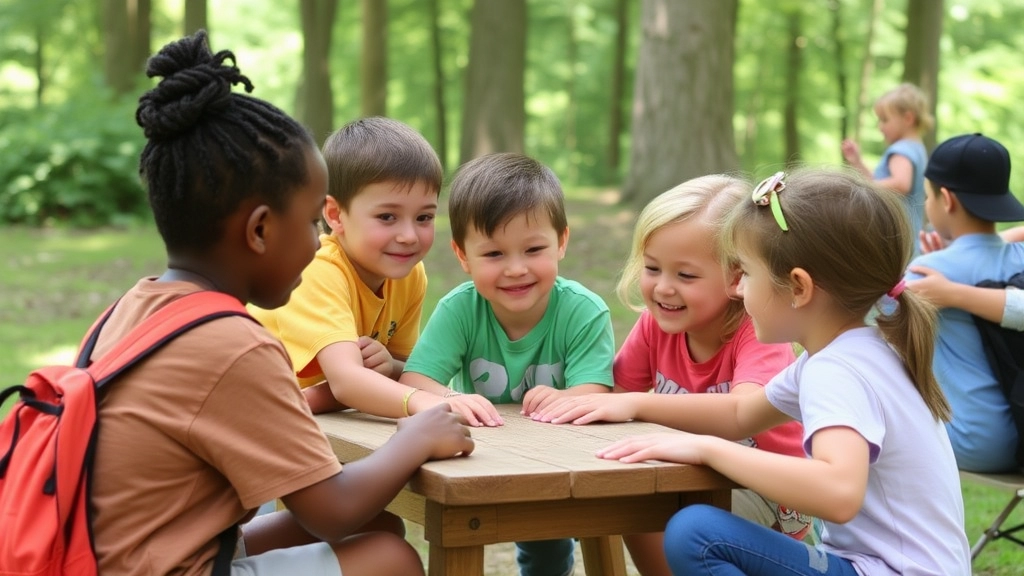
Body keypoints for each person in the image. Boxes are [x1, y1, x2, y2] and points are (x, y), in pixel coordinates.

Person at [91, 31, 474, 576]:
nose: (319, 243)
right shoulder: (234, 343)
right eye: (309, 223)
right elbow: (331, 512)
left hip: (130, 549)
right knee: (389, 557)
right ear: (260, 231)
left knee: (381, 525)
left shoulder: (140, 304)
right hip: (166, 567)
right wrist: (416, 436)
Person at [538, 168, 970, 575]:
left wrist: (710, 450)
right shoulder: (851, 353)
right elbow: (742, 415)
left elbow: (838, 493)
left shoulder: (837, 370)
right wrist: (628, 402)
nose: (738, 288)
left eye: (746, 272)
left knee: (697, 534)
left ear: (798, 287)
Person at [558, 175, 810, 575]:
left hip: (766, 491)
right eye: (653, 268)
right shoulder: (655, 326)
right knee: (630, 501)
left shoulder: (758, 329)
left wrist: (635, 403)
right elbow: (615, 395)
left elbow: (742, 408)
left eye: (686, 276)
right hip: (691, 476)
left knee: (665, 509)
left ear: (736, 276)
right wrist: (570, 398)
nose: (662, 288)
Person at [399, 152, 616, 576]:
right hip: (479, 458)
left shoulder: (584, 311)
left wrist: (565, 396)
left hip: (555, 464)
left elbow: (595, 393)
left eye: (534, 249)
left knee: (549, 550)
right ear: (463, 256)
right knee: (461, 533)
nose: (516, 269)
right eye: (494, 254)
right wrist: (450, 397)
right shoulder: (460, 309)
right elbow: (415, 378)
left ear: (562, 241)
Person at [248, 117, 500, 427]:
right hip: (249, 419)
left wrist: (389, 365)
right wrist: (428, 402)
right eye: (387, 216)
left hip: (316, 419)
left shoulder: (409, 274)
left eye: (423, 217)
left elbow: (408, 370)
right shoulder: (316, 271)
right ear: (334, 214)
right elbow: (348, 383)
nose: (409, 235)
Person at [904, 133, 1024, 473]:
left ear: (946, 199)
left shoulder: (929, 273)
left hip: (975, 443)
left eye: (927, 196)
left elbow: (882, 329)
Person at [841, 83, 933, 253]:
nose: (880, 126)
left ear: (908, 118)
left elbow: (900, 184)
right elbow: (882, 183)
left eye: (885, 120)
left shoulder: (902, 150)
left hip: (897, 235)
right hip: (910, 234)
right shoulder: (917, 148)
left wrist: (859, 187)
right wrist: (858, 162)